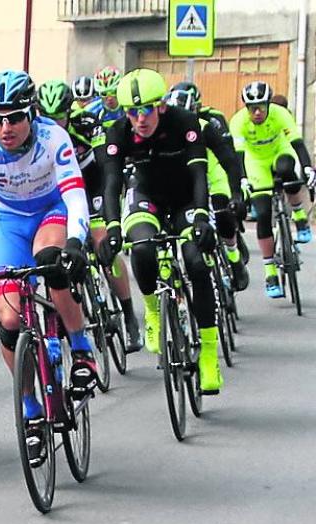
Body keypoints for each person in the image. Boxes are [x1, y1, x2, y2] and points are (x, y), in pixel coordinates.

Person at [0, 70, 99, 465]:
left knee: (50, 262)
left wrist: (77, 243)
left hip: (52, 212)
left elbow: (76, 198)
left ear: (31, 114)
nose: (5, 127)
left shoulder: (53, 140)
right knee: (10, 322)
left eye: (14, 117)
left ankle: (81, 350)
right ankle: (30, 410)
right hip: (10, 223)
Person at [99, 68, 224, 394]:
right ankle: (153, 311)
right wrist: (112, 229)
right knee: (140, 248)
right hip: (146, 197)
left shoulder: (184, 122)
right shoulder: (119, 133)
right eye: (131, 111)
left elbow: (199, 173)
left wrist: (201, 219)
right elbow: (112, 185)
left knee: (196, 262)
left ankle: (209, 353)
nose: (139, 119)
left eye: (145, 110)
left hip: (185, 199)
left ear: (161, 107)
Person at [36, 79, 143, 351]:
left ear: (70, 112)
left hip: (91, 185)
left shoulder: (87, 126)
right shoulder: (35, 135)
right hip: (58, 194)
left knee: (102, 243)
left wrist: (109, 205)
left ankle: (129, 316)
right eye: (48, 117)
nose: (54, 123)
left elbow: (108, 167)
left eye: (60, 117)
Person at [230, 80, 316, 297]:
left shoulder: (280, 114)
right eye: (252, 108)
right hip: (255, 161)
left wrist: (307, 168)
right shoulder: (238, 122)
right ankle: (270, 273)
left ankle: (299, 217)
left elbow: (297, 144)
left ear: (269, 105)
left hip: (280, 151)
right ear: (246, 108)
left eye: (261, 107)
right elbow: (238, 157)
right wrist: (241, 180)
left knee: (288, 170)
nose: (257, 112)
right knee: (264, 213)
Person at [164, 87, 250, 291]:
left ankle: (233, 256)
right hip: (187, 182)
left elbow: (229, 159)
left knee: (222, 213)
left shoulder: (206, 126)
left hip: (213, 176)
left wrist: (237, 191)